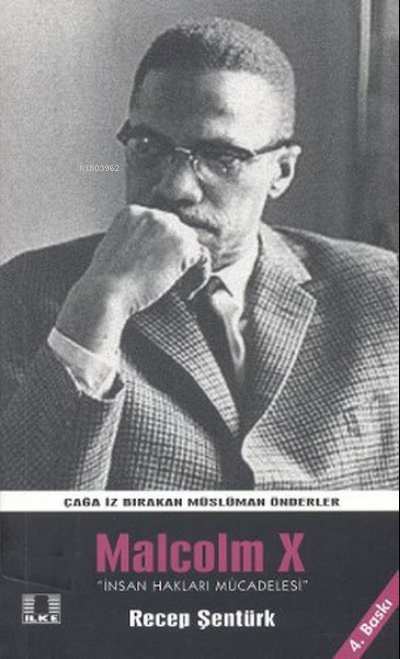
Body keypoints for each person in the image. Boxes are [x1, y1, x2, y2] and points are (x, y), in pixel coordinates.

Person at [0, 18, 398, 490]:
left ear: (282, 171)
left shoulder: (382, 293)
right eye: (149, 146)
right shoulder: (27, 294)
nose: (175, 187)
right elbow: (30, 524)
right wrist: (101, 305)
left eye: (221, 157)